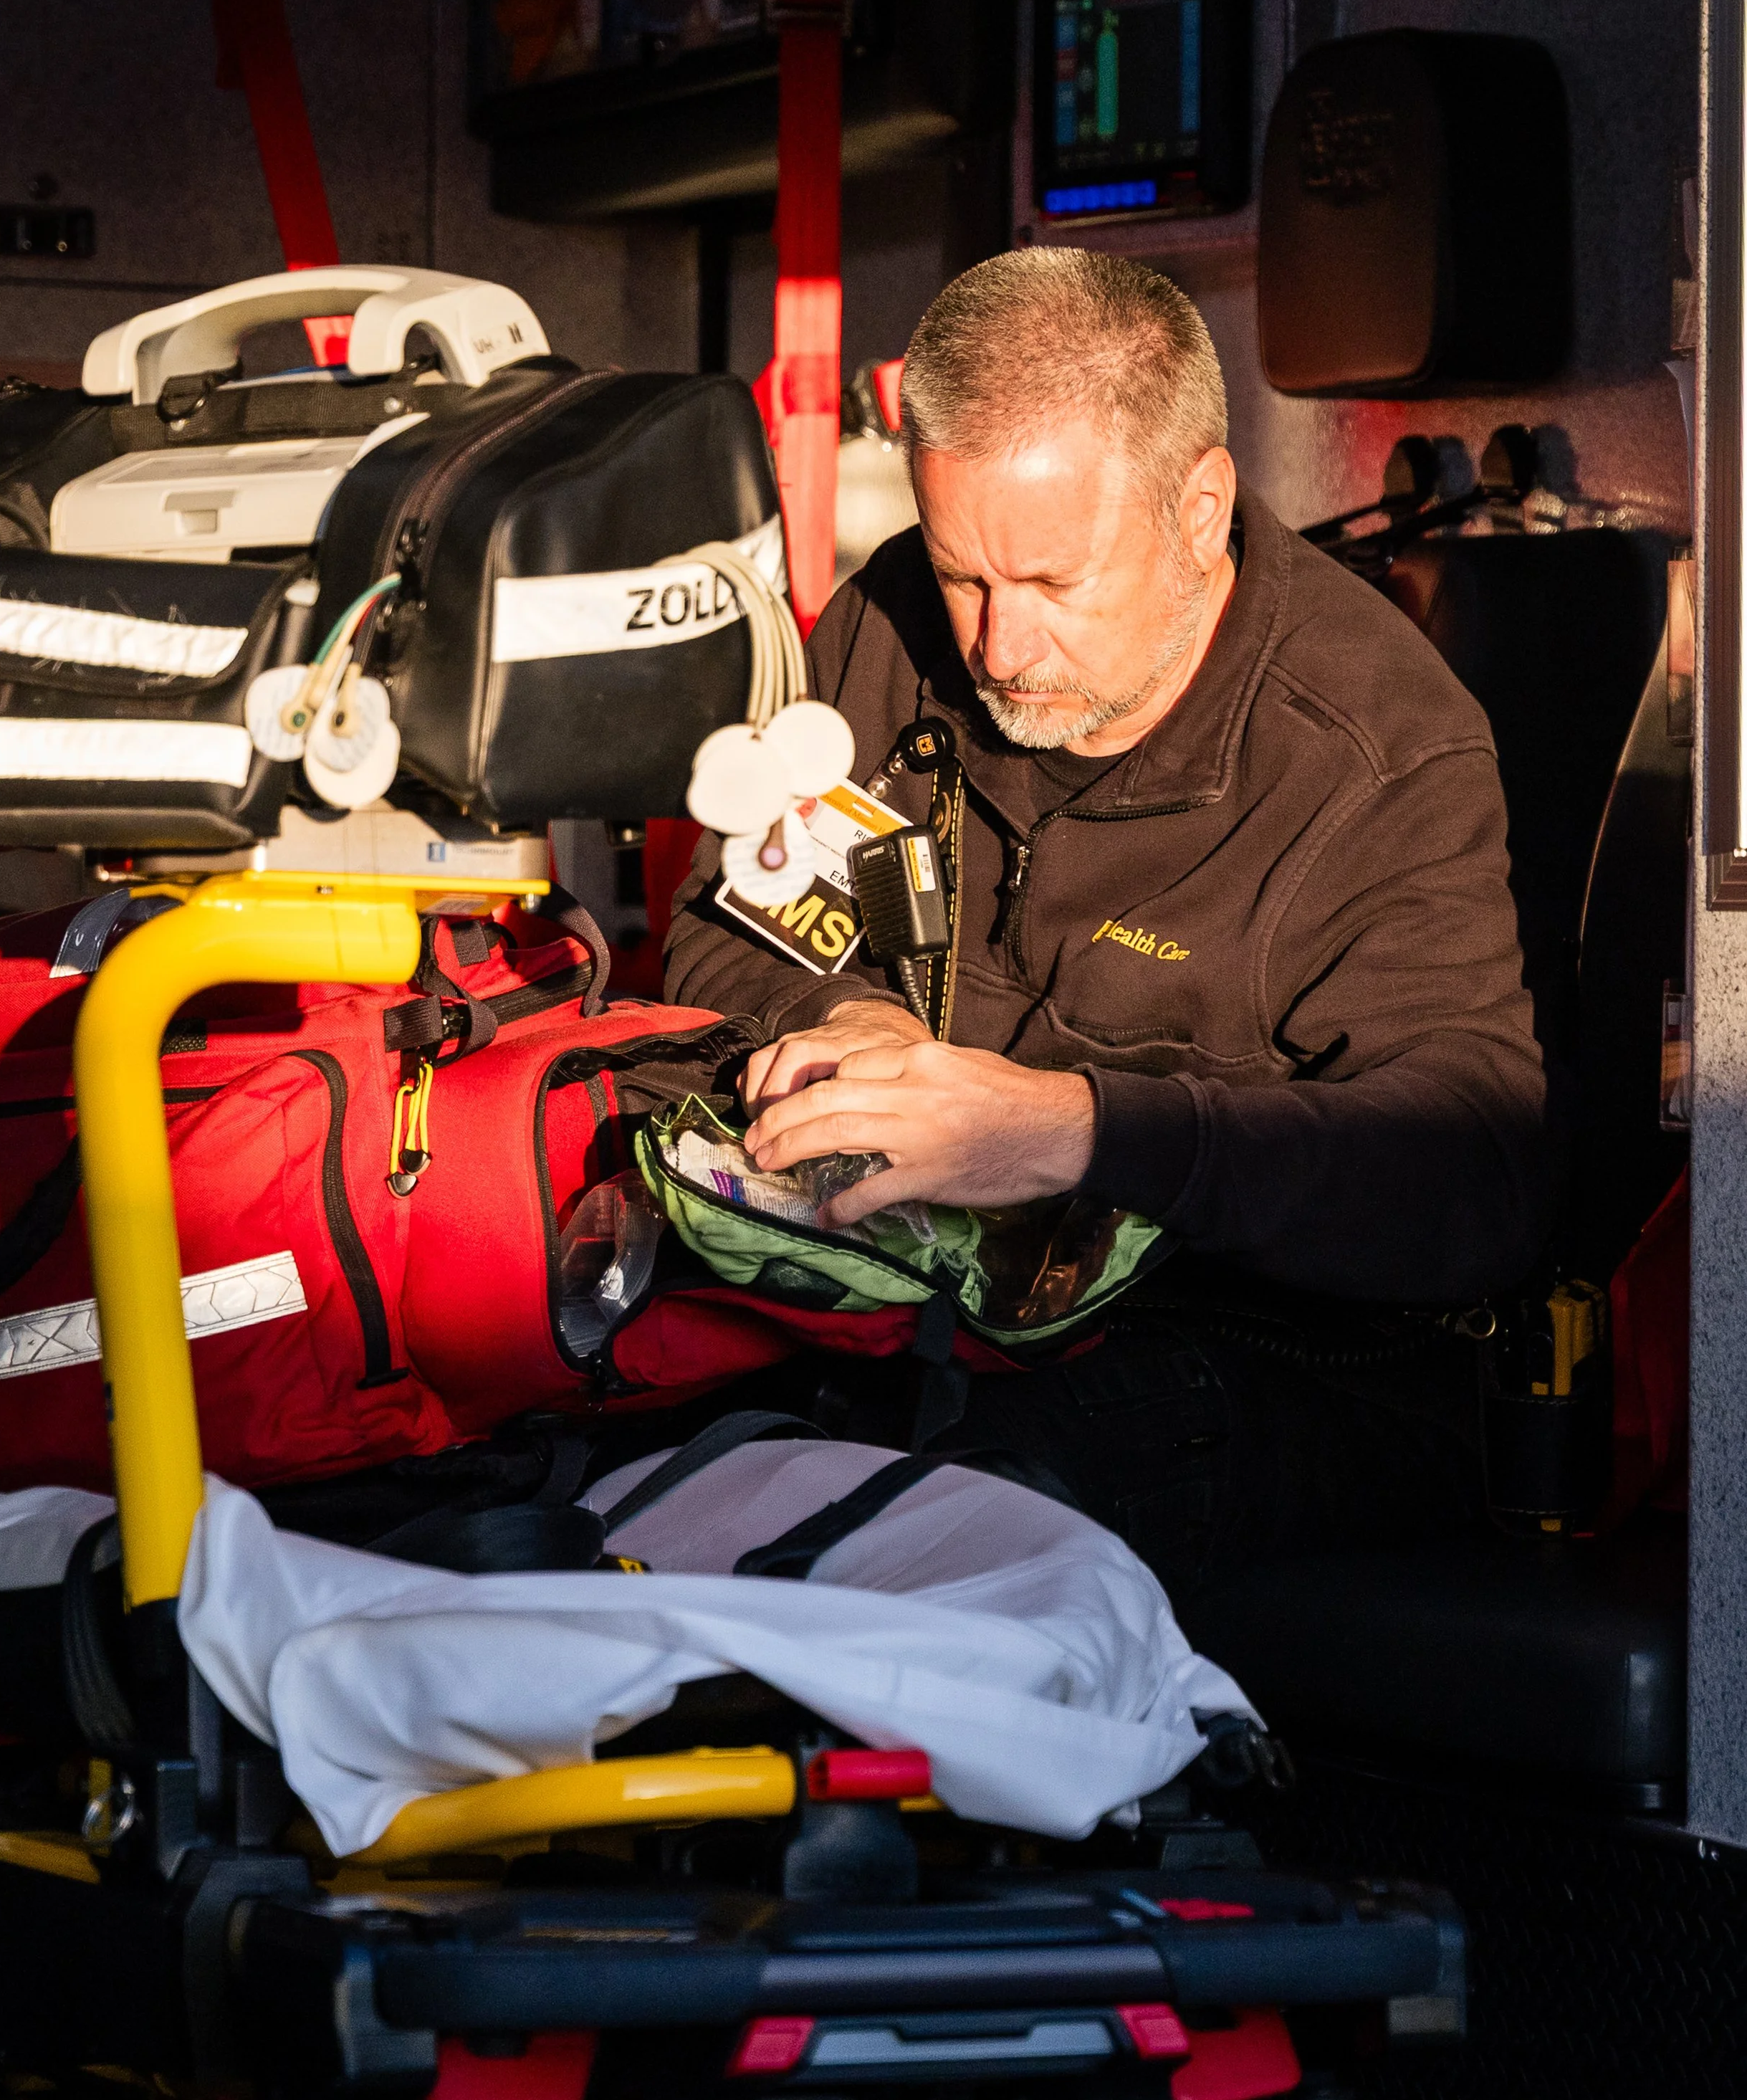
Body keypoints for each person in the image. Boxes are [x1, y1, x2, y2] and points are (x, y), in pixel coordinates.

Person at [664, 250, 1550, 1589]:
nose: (998, 648)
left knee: (937, 1529)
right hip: (910, 1309)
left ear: (1201, 510)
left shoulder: (1377, 751)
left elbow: (1473, 1176)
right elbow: (716, 932)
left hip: (1270, 1354)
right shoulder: (891, 624)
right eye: (966, 577)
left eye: (1054, 587)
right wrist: (844, 1013)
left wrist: (1069, 1133)